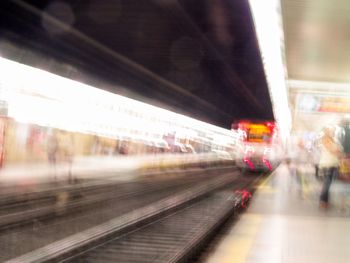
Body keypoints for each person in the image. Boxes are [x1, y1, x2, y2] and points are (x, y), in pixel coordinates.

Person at [318, 126, 342, 208]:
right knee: (326, 184)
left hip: (333, 164)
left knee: (328, 184)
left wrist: (337, 150)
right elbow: (334, 151)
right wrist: (337, 150)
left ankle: (325, 201)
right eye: (331, 131)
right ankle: (322, 201)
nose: (332, 132)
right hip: (327, 164)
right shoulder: (325, 140)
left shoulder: (333, 140)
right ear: (326, 132)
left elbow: (339, 150)